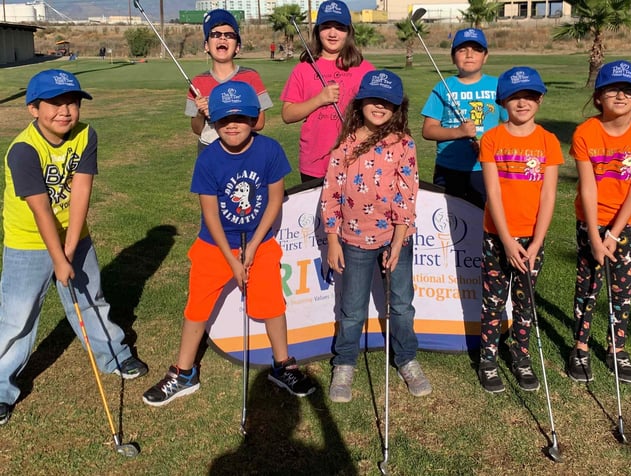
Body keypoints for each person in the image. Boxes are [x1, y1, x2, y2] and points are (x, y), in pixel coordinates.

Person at [142, 81, 315, 406]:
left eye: (241, 118)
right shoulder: (208, 160)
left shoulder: (270, 150)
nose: (232, 125)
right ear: (213, 122)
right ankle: (183, 373)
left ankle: (282, 365)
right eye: (223, 119)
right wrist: (233, 259)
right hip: (215, 245)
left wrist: (252, 248)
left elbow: (276, 199)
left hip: (260, 242)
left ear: (253, 119)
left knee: (273, 306)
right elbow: (209, 215)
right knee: (196, 308)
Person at [0, 69, 148, 425]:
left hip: (73, 234)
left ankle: (114, 354)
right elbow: (39, 208)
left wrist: (70, 248)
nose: (65, 110)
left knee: (90, 298)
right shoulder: (23, 149)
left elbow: (81, 191)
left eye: (72, 102)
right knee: (17, 317)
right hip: (27, 240)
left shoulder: (85, 135)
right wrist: (57, 257)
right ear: (33, 108)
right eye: (54, 103)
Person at [321, 70, 431, 403]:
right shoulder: (345, 144)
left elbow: (406, 195)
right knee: (352, 309)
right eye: (373, 100)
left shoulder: (404, 144)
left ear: (397, 107)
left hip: (395, 239)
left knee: (400, 305)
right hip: (353, 242)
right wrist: (333, 240)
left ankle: (406, 358)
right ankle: (344, 364)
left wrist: (397, 244)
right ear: (361, 102)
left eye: (387, 102)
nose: (379, 107)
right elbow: (331, 194)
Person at [568, 60, 631, 385]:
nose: (620, 95)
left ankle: (616, 349)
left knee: (621, 287)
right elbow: (588, 186)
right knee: (588, 285)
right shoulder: (585, 133)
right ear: (598, 97)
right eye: (612, 89)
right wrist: (595, 235)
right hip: (591, 221)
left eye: (629, 90)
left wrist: (614, 234)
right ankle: (579, 347)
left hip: (628, 223)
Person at [477, 67, 563, 393]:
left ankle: (521, 356)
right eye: (514, 96)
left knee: (525, 302)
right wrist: (507, 240)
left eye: (528, 96)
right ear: (503, 101)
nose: (522, 102)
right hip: (497, 236)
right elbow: (493, 193)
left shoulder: (548, 142)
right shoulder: (492, 139)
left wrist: (537, 241)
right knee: (493, 302)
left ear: (539, 100)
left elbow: (549, 194)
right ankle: (487, 358)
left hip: (532, 239)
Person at [280, 0, 375, 183]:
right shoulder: (304, 69)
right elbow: (287, 114)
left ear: (348, 32)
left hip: (355, 160)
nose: (332, 33)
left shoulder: (365, 69)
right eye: (326, 27)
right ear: (317, 31)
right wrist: (319, 99)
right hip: (314, 164)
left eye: (339, 27)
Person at [420, 28, 507, 209]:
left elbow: (511, 126)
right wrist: (459, 132)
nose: (469, 55)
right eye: (462, 50)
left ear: (486, 56)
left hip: (486, 168)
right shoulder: (443, 87)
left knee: (485, 218)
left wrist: (491, 144)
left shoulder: (498, 86)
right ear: (453, 57)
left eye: (476, 49)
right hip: (449, 168)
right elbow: (428, 130)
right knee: (449, 221)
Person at [186, 9, 273, 153]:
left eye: (229, 35)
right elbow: (196, 129)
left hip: (244, 150)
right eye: (215, 34)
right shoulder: (198, 83)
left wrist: (224, 110)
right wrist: (200, 113)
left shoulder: (251, 77)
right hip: (209, 150)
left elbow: (259, 123)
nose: (222, 39)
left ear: (237, 47)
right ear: (206, 45)